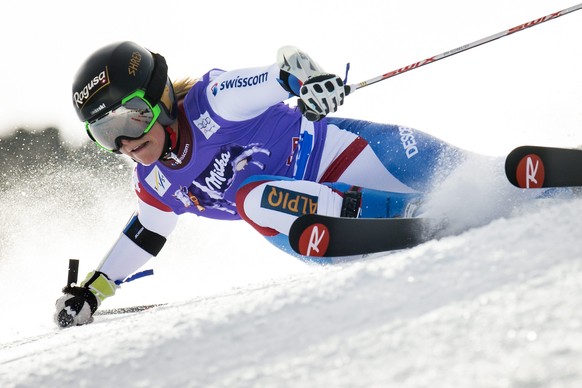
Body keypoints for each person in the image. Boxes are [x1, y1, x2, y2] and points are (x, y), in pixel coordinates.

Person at [55, 41, 468, 327]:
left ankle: (440, 207)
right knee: (252, 197)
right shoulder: (156, 183)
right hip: (311, 222)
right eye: (106, 133)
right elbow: (145, 233)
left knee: (470, 175)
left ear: (161, 98)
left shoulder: (214, 100)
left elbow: (286, 68)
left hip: (355, 152)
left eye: (132, 118)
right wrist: (92, 293)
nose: (126, 142)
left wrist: (311, 83)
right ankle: (406, 217)